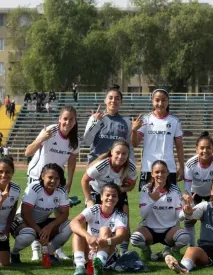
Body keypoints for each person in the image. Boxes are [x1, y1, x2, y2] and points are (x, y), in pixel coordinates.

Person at [24, 105, 81, 260]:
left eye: (71, 119)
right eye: (65, 118)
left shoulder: (75, 140)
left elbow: (72, 161)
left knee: (60, 213)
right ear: (59, 119)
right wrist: (41, 138)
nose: (67, 122)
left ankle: (57, 248)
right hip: (37, 177)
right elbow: (28, 152)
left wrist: (69, 181)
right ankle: (35, 248)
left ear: (75, 122)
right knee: (34, 212)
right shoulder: (51, 131)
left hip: (57, 179)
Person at [81, 139, 137, 255]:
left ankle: (123, 251)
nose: (120, 156)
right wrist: (89, 200)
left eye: (124, 153)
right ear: (111, 152)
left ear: (128, 155)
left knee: (125, 219)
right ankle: (88, 251)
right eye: (117, 152)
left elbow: (132, 186)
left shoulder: (131, 167)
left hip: (116, 192)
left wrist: (122, 189)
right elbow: (84, 180)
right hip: (96, 191)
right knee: (89, 219)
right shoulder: (102, 165)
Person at [10, 163, 72, 265]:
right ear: (43, 176)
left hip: (42, 222)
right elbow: (26, 213)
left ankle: (50, 253)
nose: (53, 181)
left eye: (57, 178)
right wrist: (40, 232)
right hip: (23, 220)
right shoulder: (34, 188)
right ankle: (14, 253)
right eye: (50, 177)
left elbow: (64, 214)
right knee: (28, 235)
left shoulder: (61, 190)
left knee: (69, 226)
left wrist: (49, 226)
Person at [131, 160, 189, 260]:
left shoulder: (175, 190)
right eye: (157, 172)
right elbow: (143, 214)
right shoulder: (146, 189)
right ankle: (146, 250)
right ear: (152, 174)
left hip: (169, 230)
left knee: (184, 238)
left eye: (163, 171)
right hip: (150, 230)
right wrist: (152, 200)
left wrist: (185, 212)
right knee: (135, 239)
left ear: (168, 173)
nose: (160, 174)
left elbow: (180, 217)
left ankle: (174, 250)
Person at [131, 88, 184, 190]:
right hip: (148, 168)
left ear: (168, 102)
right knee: (146, 202)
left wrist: (181, 167)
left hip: (169, 168)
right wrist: (133, 130)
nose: (160, 103)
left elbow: (179, 146)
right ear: (152, 101)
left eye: (164, 100)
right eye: (157, 100)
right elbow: (135, 143)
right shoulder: (145, 119)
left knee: (170, 201)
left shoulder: (174, 121)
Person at [70, 184, 128, 275]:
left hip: (107, 251)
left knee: (105, 230)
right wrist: (88, 237)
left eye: (114, 196)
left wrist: (106, 241)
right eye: (107, 195)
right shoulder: (93, 209)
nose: (110, 198)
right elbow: (73, 222)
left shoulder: (121, 215)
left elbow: (121, 236)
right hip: (89, 250)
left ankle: (99, 264)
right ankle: (80, 267)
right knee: (78, 232)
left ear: (118, 199)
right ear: (101, 197)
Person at [183, 131, 213, 246]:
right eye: (202, 148)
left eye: (208, 147)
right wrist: (189, 201)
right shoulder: (190, 164)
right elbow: (187, 187)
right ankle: (192, 247)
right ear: (196, 149)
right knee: (189, 219)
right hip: (195, 193)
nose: (205, 151)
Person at [83, 85, 134, 163]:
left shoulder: (126, 122)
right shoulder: (94, 118)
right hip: (96, 163)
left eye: (117, 98)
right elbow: (87, 141)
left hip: (117, 166)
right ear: (105, 100)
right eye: (110, 98)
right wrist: (96, 122)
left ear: (121, 102)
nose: (113, 101)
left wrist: (131, 164)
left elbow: (129, 146)